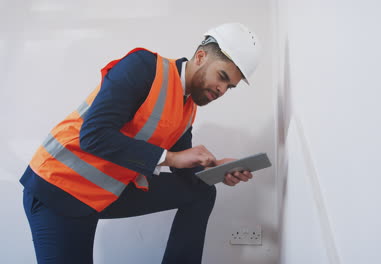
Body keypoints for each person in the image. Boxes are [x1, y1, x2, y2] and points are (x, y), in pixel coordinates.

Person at [20, 22, 261, 264]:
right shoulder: (144, 67)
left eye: (229, 87)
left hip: (107, 189)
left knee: (201, 190)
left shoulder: (187, 107)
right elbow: (94, 135)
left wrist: (216, 169)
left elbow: (183, 168)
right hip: (61, 188)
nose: (221, 89)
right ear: (200, 57)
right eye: (222, 77)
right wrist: (172, 157)